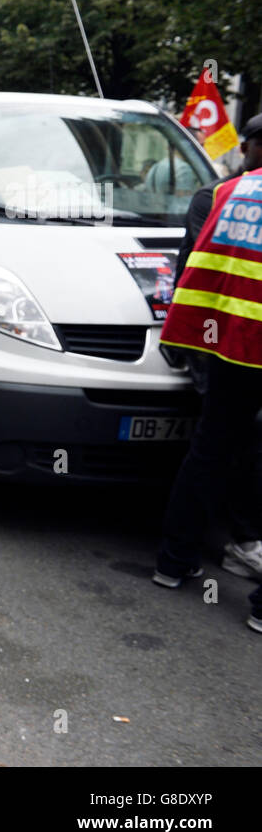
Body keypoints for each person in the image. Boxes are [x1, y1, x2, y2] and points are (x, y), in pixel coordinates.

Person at [156, 139, 262, 632]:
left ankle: (173, 563)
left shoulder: (230, 193)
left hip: (230, 344)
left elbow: (195, 266)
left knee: (208, 450)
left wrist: (185, 337)